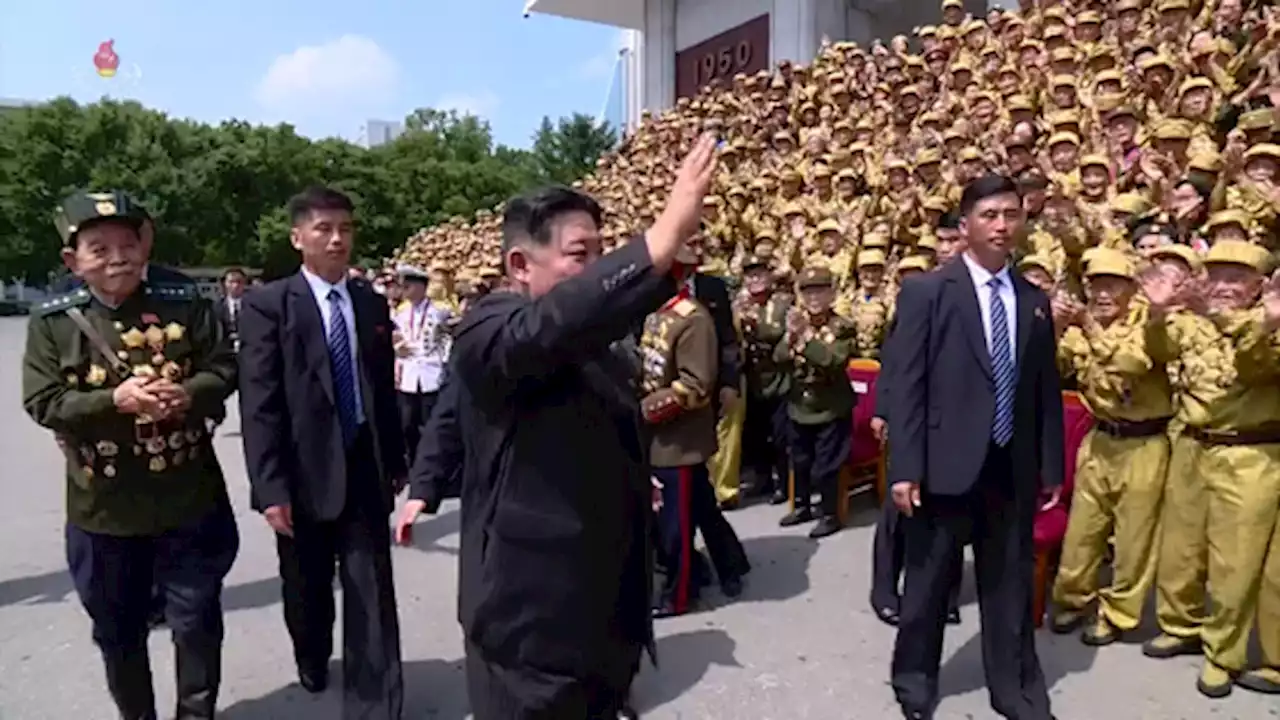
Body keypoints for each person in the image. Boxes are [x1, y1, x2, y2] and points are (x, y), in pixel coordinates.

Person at [395, 135, 716, 719]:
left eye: (602, 250)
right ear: (520, 263)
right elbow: (544, 333)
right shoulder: (488, 328)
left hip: (602, 613)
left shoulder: (592, 338)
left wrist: (628, 475)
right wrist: (656, 240)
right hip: (531, 627)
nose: (595, 265)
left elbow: (591, 362)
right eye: (580, 253)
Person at [22, 190, 239, 719]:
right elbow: (42, 400)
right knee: (118, 632)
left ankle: (196, 713)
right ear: (73, 261)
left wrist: (189, 393)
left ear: (146, 245)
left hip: (188, 496)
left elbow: (225, 366)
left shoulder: (182, 300)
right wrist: (112, 401)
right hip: (104, 508)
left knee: (197, 621)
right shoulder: (53, 321)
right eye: (99, 248)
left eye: (128, 243)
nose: (117, 256)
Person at [887, 175, 1064, 720]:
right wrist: (905, 468)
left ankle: (1013, 688)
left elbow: (1044, 390)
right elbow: (906, 385)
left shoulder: (1033, 299)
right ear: (964, 226)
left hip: (1010, 467)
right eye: (989, 215)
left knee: (1008, 587)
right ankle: (914, 683)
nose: (1001, 225)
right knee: (928, 586)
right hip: (944, 465)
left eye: (1011, 214)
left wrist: (1051, 465)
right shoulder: (928, 292)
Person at [238, 186, 407, 718]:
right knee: (307, 586)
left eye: (346, 230)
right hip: (301, 473)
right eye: (324, 230)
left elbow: (382, 388)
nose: (337, 240)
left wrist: (396, 460)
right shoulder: (268, 305)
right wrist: (269, 488)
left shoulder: (370, 302)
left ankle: (376, 696)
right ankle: (310, 655)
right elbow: (259, 402)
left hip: (363, 462)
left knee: (371, 586)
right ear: (298, 238)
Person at [1049, 249, 1174, 647]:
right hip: (1100, 438)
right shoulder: (1080, 327)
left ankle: (1119, 614)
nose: (1103, 294)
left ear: (1131, 289)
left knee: (1134, 538)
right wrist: (1053, 330)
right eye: (1096, 285)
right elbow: (1055, 368)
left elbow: (1133, 364)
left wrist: (1088, 326)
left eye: (1113, 285)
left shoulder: (1149, 324)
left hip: (1144, 443)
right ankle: (1073, 598)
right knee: (1083, 529)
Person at [643, 245, 749, 617]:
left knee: (676, 524)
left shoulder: (694, 315)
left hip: (679, 436)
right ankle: (731, 563)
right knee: (698, 506)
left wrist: (645, 410)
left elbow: (694, 384)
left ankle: (681, 592)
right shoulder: (657, 312)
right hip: (663, 437)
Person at [775, 266, 857, 539]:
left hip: (830, 405)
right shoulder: (797, 322)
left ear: (832, 294)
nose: (813, 298)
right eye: (808, 291)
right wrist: (790, 337)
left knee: (827, 465)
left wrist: (806, 339)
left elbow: (833, 361)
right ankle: (801, 507)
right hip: (800, 404)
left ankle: (830, 514)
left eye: (820, 291)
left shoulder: (841, 327)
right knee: (798, 460)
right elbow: (779, 357)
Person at [390, 264, 451, 466]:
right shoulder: (401, 313)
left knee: (431, 423)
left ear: (422, 287)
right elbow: (396, 337)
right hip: (408, 373)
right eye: (404, 286)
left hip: (431, 373)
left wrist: (444, 365)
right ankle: (414, 462)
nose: (406, 290)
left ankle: (433, 463)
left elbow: (446, 341)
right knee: (408, 424)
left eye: (410, 286)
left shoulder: (439, 312)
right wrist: (397, 348)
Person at [215, 267, 248, 353]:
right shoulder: (217, 306)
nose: (235, 285)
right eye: (231, 282)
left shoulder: (253, 305)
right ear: (225, 283)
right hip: (224, 351)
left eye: (239, 282)